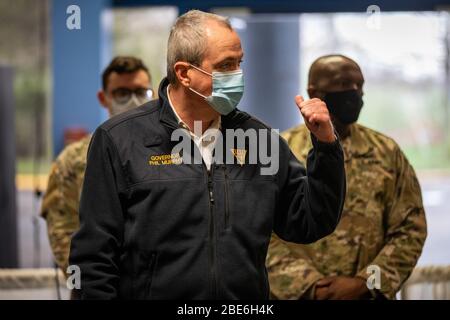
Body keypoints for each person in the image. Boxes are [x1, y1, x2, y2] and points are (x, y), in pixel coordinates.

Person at [69, 10, 346, 300]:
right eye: (226, 65)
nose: (237, 75)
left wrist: (326, 145)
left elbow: (310, 221)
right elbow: (94, 258)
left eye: (239, 63)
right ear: (184, 73)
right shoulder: (119, 139)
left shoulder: (259, 139)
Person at [267, 54, 427, 300]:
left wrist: (367, 283)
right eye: (343, 84)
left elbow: (410, 229)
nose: (354, 92)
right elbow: (260, 230)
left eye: (359, 85)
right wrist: (311, 288)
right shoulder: (281, 151)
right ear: (314, 91)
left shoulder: (386, 151)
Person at [41, 56, 153, 273]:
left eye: (141, 92)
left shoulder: (169, 152)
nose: (133, 101)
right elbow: (64, 236)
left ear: (153, 94)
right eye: (122, 93)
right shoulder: (73, 161)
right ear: (104, 98)